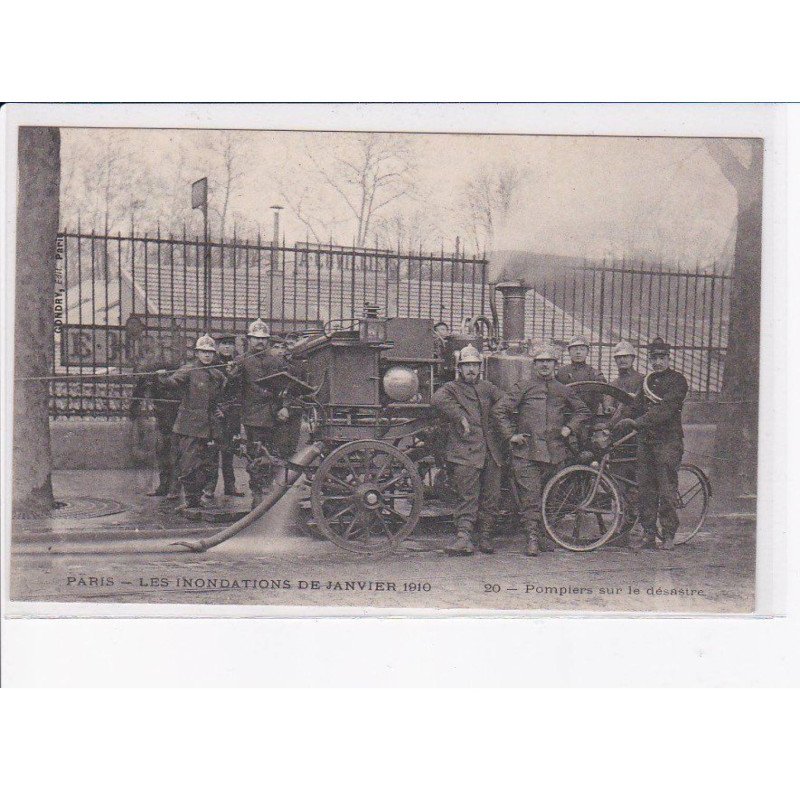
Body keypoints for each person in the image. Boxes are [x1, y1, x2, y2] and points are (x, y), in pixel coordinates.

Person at [493, 344, 591, 556]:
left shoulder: (563, 389)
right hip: (526, 453)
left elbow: (583, 411)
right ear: (534, 365)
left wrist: (569, 428)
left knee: (550, 496)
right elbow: (500, 410)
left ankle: (544, 535)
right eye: (540, 361)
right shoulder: (523, 387)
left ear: (555, 365)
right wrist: (511, 435)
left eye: (549, 361)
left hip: (555, 453)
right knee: (531, 497)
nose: (545, 365)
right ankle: (532, 538)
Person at [614, 337, 688, 552]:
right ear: (649, 359)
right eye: (654, 358)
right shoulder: (647, 381)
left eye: (661, 358)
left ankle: (668, 534)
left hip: (668, 441)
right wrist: (617, 423)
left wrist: (637, 423)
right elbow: (634, 406)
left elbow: (665, 410)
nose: (657, 362)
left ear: (668, 358)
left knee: (666, 489)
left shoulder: (678, 381)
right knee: (646, 489)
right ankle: (649, 533)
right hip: (646, 441)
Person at [431, 344, 506, 555]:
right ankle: (464, 537)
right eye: (467, 366)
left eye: (474, 365)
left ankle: (486, 536)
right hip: (465, 451)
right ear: (460, 368)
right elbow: (437, 399)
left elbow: (505, 400)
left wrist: (498, 413)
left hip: (490, 451)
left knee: (491, 496)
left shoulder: (487, 387)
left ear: (480, 367)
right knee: (467, 496)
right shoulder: (451, 388)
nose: (471, 369)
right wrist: (459, 415)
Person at [157, 334, 225, 511]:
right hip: (190, 427)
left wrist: (220, 409)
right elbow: (172, 383)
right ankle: (190, 499)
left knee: (207, 465)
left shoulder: (217, 375)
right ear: (197, 353)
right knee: (188, 465)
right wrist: (163, 378)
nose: (207, 355)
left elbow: (222, 396)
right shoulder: (188, 370)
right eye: (203, 352)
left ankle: (199, 498)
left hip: (210, 427)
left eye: (210, 352)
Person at [237, 318, 294, 509]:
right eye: (256, 338)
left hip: (275, 416)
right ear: (249, 340)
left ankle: (271, 494)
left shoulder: (277, 361)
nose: (260, 341)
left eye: (263, 338)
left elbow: (288, 386)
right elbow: (235, 390)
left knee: (275, 455)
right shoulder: (242, 361)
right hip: (252, 417)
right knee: (254, 456)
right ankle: (257, 494)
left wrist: (285, 407)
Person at [129, 347, 182, 497]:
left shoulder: (174, 371)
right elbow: (137, 395)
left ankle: (174, 487)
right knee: (162, 451)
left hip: (176, 416)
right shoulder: (147, 376)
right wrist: (133, 410)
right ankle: (164, 485)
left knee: (175, 452)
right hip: (162, 418)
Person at [202, 335, 244, 501]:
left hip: (231, 415)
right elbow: (208, 392)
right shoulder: (211, 364)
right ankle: (209, 487)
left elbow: (240, 391)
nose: (227, 347)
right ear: (218, 346)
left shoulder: (238, 364)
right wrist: (216, 409)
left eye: (230, 344)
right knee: (211, 452)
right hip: (214, 414)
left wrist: (227, 410)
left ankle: (230, 486)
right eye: (224, 344)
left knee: (229, 451)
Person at [556, 335, 607, 416]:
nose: (578, 352)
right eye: (574, 349)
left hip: (589, 416)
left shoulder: (595, 374)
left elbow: (603, 396)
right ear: (569, 352)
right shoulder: (561, 372)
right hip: (565, 415)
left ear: (587, 352)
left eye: (582, 349)